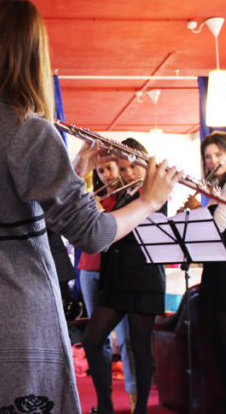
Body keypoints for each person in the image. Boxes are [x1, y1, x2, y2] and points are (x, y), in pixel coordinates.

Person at [0, 0, 180, 413]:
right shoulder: (29, 130)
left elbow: (3, 200)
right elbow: (92, 234)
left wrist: (74, 166)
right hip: (15, 318)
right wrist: (150, 199)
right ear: (31, 55)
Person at [82, 138, 166, 414]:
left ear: (144, 163)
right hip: (116, 279)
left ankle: (140, 408)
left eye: (133, 166)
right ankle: (105, 405)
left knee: (140, 347)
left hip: (144, 279)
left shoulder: (155, 192)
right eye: (123, 168)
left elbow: (128, 228)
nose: (128, 173)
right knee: (93, 339)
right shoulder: (120, 195)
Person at [185, 131, 226, 414]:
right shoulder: (218, 189)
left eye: (218, 154)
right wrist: (191, 213)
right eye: (208, 156)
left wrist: (195, 210)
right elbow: (202, 236)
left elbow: (216, 229)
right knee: (216, 341)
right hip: (214, 271)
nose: (213, 160)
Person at [73, 148, 138, 412]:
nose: (107, 175)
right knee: (96, 336)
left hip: (116, 270)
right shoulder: (92, 198)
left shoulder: (127, 198)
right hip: (89, 267)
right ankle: (104, 402)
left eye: (111, 169)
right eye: (101, 171)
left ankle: (134, 396)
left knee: (125, 337)